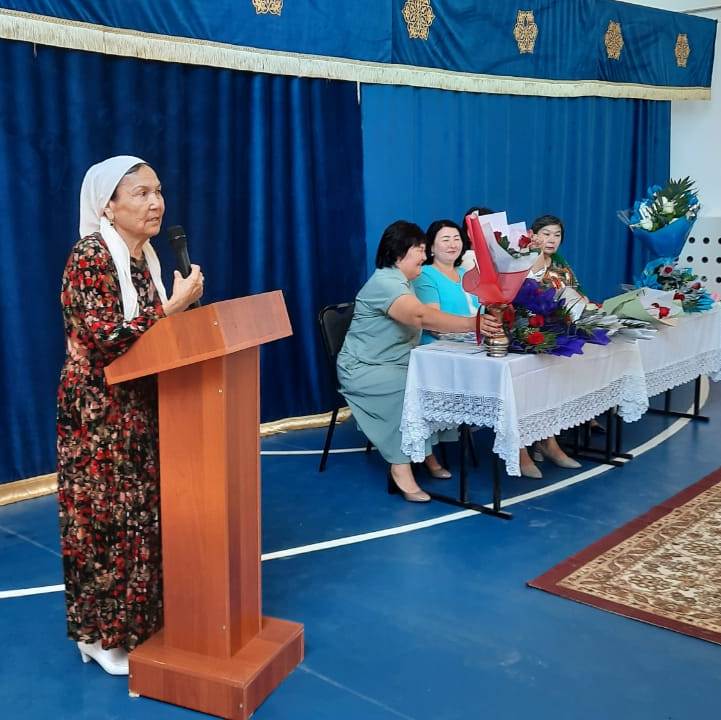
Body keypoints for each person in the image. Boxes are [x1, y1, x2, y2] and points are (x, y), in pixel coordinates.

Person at [56, 156, 204, 676]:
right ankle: (98, 636)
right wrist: (172, 307)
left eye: (158, 191)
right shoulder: (90, 255)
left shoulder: (145, 260)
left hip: (140, 404)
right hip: (96, 413)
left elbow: (151, 336)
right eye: (141, 193)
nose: (155, 202)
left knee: (137, 517)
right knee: (101, 521)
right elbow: (105, 338)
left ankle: (133, 624)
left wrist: (183, 312)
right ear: (108, 206)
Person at [337, 220, 501, 502]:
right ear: (399, 252)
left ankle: (426, 454)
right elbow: (419, 316)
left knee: (433, 380)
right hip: (365, 368)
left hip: (396, 361)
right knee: (410, 388)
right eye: (420, 250)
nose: (424, 257)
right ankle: (401, 467)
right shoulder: (385, 282)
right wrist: (471, 324)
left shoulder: (404, 281)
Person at [520, 214, 583, 478]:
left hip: (556, 333)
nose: (551, 239)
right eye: (546, 233)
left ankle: (547, 442)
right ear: (533, 235)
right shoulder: (522, 260)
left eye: (557, 235)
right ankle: (521, 449)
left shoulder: (561, 264)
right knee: (525, 393)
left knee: (550, 390)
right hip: (526, 332)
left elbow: (575, 293)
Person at [413, 219, 479, 345]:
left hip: (474, 342)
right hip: (440, 346)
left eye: (456, 239)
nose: (453, 245)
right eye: (446, 240)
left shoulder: (466, 272)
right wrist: (473, 326)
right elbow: (432, 323)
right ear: (431, 246)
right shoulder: (424, 274)